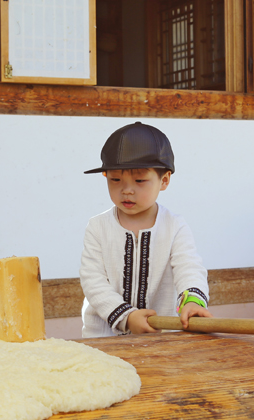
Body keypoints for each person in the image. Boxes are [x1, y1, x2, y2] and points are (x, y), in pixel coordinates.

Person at [80, 122, 211, 338]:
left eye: (139, 180)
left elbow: (189, 268)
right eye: (115, 179)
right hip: (103, 340)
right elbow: (92, 281)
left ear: (164, 180)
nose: (127, 190)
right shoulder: (97, 227)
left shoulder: (175, 226)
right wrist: (127, 317)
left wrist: (193, 302)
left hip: (160, 337)